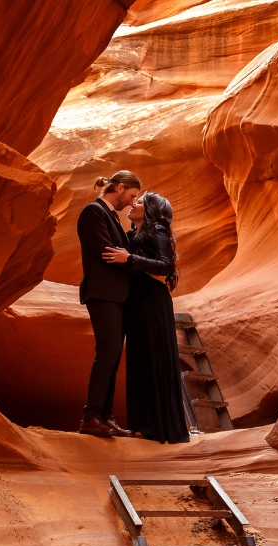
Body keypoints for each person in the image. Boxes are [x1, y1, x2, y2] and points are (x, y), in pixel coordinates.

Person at [103, 192, 190, 443]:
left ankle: (163, 428)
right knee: (140, 362)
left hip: (153, 302)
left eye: (139, 202)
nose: (133, 204)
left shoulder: (158, 230)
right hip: (138, 303)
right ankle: (144, 426)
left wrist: (129, 258)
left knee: (156, 359)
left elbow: (165, 267)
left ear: (152, 210)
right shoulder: (133, 235)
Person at [77, 171, 142, 438]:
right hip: (103, 294)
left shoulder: (110, 215)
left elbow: (123, 253)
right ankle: (91, 416)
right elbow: (109, 252)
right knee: (108, 352)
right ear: (120, 187)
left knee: (113, 355)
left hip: (115, 295)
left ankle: (106, 417)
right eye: (132, 195)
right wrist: (133, 261)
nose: (132, 202)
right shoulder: (93, 212)